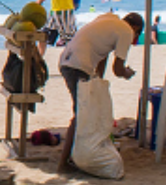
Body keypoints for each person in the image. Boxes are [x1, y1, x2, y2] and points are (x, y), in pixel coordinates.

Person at [54, 11, 143, 173]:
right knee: (81, 114)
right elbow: (117, 69)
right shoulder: (126, 31)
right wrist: (127, 73)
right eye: (136, 35)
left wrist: (98, 81)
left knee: (84, 111)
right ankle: (64, 163)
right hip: (78, 65)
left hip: (66, 60)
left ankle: (73, 156)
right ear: (136, 28)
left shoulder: (107, 20)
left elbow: (102, 56)